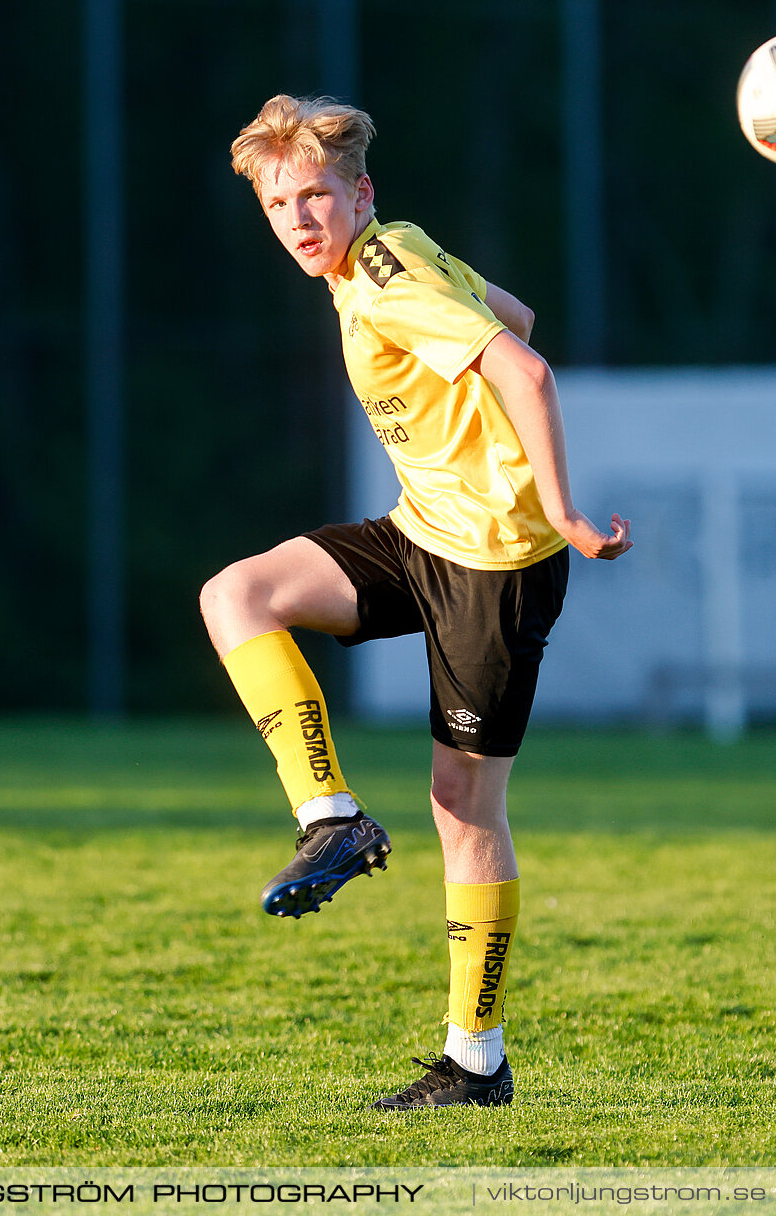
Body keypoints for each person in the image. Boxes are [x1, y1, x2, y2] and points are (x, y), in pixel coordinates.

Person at [203, 95, 631, 1108]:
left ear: (361, 192)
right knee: (240, 594)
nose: (299, 220)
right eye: (278, 204)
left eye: (316, 195)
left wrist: (561, 510)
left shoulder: (387, 282)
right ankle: (332, 818)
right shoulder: (392, 253)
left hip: (497, 565)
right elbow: (513, 317)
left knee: (463, 809)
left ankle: (475, 1060)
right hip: (421, 532)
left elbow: (524, 365)